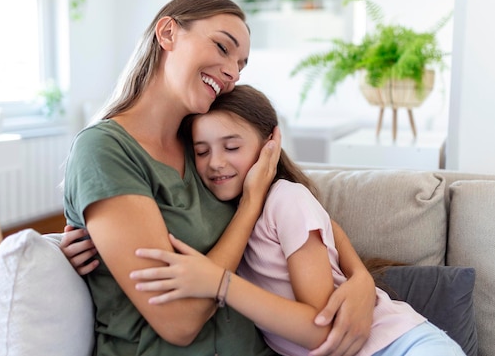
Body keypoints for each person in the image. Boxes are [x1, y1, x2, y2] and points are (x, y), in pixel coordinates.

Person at [60, 0, 376, 356]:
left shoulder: (202, 145)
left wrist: (361, 278)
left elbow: (298, 205)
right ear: (168, 34)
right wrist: (249, 206)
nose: (232, 73)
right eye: (223, 48)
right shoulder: (105, 149)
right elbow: (178, 322)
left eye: (242, 64)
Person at [129, 84, 467, 356]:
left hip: (401, 345)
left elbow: (320, 326)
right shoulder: (223, 217)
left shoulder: (285, 199)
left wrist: (221, 284)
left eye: (231, 147)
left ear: (269, 146)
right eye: (202, 152)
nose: (215, 163)